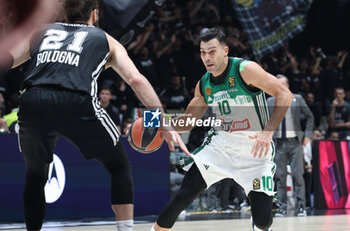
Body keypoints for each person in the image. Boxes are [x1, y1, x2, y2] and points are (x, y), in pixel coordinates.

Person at [6, 0, 190, 230]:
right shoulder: (104, 39)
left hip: (33, 100)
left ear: (63, 13)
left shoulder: (40, 32)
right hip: (77, 101)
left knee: (35, 175)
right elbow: (136, 80)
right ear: (94, 15)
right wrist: (163, 123)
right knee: (119, 167)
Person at [150, 28, 293, 231]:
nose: (207, 57)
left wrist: (269, 130)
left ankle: (261, 211)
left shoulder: (245, 69)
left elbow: (285, 95)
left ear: (225, 50)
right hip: (220, 148)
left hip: (255, 152)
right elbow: (189, 121)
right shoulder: (204, 84)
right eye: (203, 52)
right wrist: (158, 123)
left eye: (212, 51)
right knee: (184, 195)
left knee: (263, 222)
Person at [267, 74, 314, 217]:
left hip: (295, 143)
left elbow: (310, 116)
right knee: (279, 177)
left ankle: (301, 207)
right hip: (279, 143)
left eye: (282, 84)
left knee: (298, 176)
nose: (279, 86)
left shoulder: (297, 99)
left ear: (287, 85)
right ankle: (281, 207)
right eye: (277, 83)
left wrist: (307, 135)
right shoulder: (270, 101)